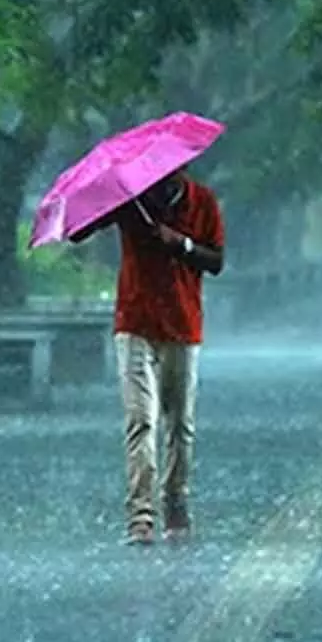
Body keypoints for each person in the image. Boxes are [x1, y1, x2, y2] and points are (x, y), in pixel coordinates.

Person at [102, 168, 225, 546]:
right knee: (141, 419)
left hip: (183, 325)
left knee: (180, 423)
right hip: (135, 322)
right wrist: (111, 202)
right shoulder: (131, 202)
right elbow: (79, 233)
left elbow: (216, 261)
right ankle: (140, 516)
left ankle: (176, 501)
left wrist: (181, 244)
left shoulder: (202, 201)